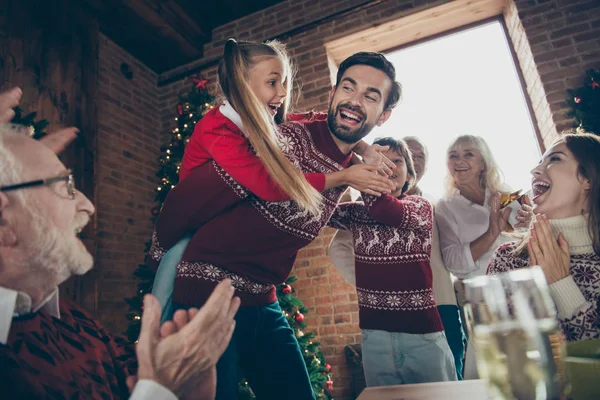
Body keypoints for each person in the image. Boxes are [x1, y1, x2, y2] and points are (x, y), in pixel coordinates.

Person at [149, 51, 403, 399]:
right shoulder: (284, 139)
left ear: (384, 115)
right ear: (333, 93)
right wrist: (161, 249)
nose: (355, 101)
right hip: (208, 293)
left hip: (263, 300)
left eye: (370, 96)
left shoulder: (352, 166)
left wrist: (364, 154)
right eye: (348, 87)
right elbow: (192, 196)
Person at [0, 88, 240, 399]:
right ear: (4, 221)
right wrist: (160, 389)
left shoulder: (72, 321)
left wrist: (178, 382)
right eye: (65, 186)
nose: (87, 206)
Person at [329, 135, 467, 379]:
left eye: (396, 161)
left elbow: (385, 210)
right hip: (375, 336)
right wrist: (343, 174)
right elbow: (320, 210)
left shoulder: (420, 207)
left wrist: (361, 170)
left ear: (410, 177)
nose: (387, 166)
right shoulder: (357, 212)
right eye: (380, 160)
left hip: (423, 334)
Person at [488, 132, 600, 342]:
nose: (534, 170)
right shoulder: (507, 258)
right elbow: (495, 348)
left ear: (588, 179)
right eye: (540, 161)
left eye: (555, 159)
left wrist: (560, 283)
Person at [435, 134, 517, 379]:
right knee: (492, 376)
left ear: (483, 162)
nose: (459, 160)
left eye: (468, 154)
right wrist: (492, 232)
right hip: (484, 300)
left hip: (522, 293)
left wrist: (527, 225)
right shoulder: (446, 207)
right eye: (453, 155)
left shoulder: (508, 196)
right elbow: (453, 262)